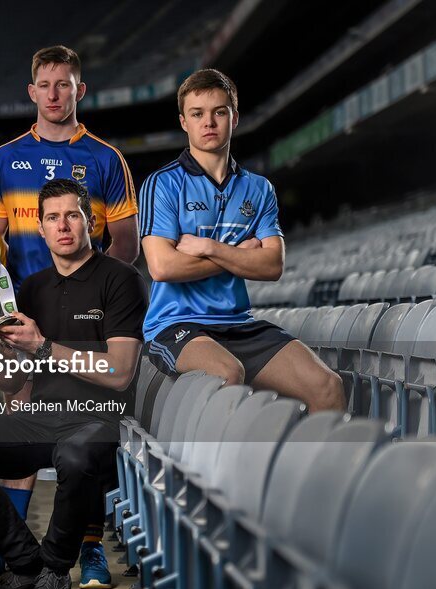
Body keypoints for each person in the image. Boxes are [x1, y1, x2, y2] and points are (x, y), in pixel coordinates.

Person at [0, 178, 148, 589]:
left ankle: (54, 572)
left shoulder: (121, 279)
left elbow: (120, 372)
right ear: (41, 228)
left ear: (90, 220)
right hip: (42, 414)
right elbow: (13, 383)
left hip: (99, 417)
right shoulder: (29, 289)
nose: (63, 226)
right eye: (52, 217)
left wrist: (44, 346)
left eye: (72, 215)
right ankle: (25, 561)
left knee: (73, 456)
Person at [0, 43, 139, 589]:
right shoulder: (4, 159)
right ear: (31, 91)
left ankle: (88, 549)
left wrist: (92, 290)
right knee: (19, 421)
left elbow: (126, 243)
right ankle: (13, 547)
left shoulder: (105, 158)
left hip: (86, 313)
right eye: (44, 85)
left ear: (78, 91)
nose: (53, 94)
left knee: (82, 432)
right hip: (24, 315)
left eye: (63, 84)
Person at [139, 69, 344, 411]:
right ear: (183, 122)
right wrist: (238, 256)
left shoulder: (259, 188)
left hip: (238, 324)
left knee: (327, 386)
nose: (209, 122)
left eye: (219, 112)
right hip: (176, 326)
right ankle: (215, 467)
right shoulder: (163, 184)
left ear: (234, 118)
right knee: (227, 375)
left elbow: (272, 265)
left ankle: (315, 466)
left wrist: (211, 248)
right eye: (197, 114)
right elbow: (162, 266)